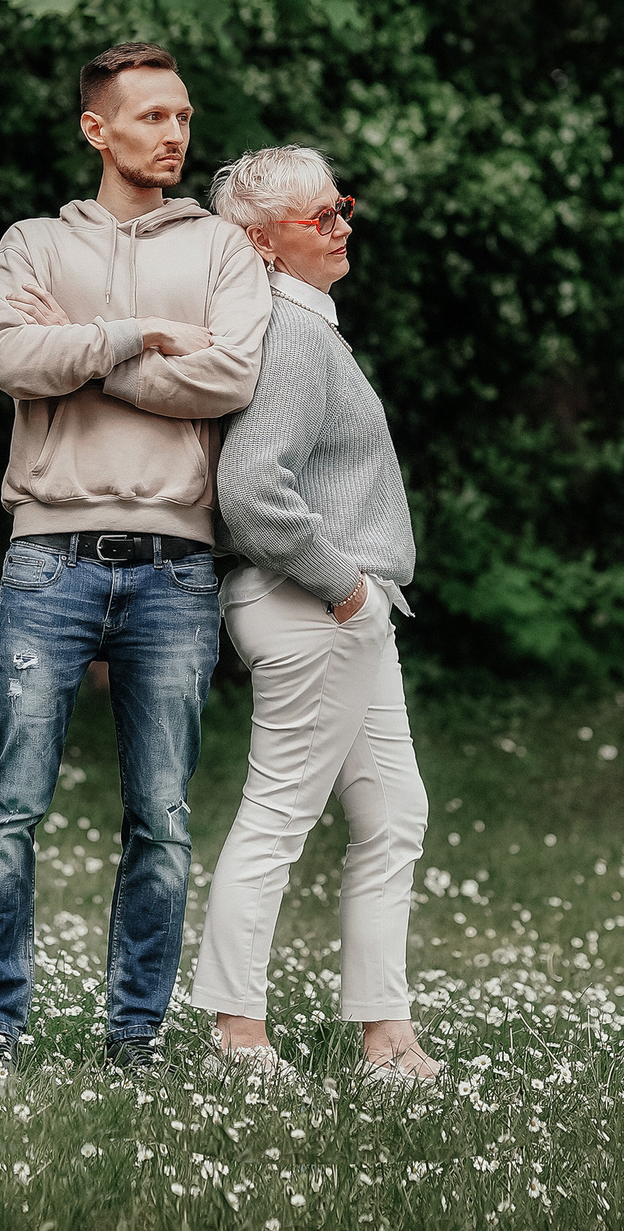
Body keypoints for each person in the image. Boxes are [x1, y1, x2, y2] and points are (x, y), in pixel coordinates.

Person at [0, 42, 273, 1083]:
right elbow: (14, 358)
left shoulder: (226, 250)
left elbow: (230, 377)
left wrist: (90, 351)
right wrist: (144, 331)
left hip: (177, 569)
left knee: (163, 818)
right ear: (97, 128)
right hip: (47, 557)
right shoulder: (31, 245)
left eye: (183, 114)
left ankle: (131, 1041)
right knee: (11, 806)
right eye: (150, 116)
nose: (174, 132)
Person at [188, 144, 440, 1083]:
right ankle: (236, 1039)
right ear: (260, 242)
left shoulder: (307, 324)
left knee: (393, 815)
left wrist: (361, 601)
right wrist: (347, 586)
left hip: (345, 614)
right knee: (279, 813)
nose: (343, 225)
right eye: (320, 217)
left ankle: (386, 1037)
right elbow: (252, 490)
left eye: (343, 206)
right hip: (313, 608)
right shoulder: (289, 333)